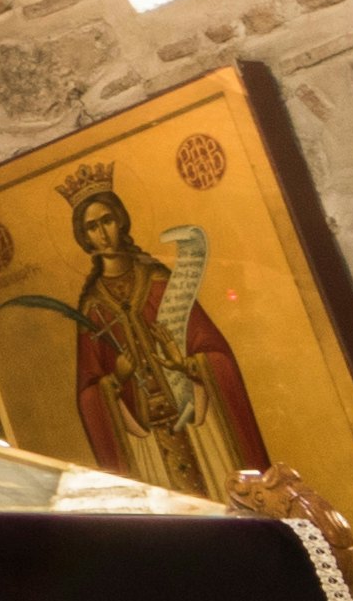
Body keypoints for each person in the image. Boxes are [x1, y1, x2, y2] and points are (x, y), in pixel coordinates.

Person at [31, 165, 264, 499]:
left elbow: (216, 352)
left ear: (121, 221)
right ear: (84, 237)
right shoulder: (93, 308)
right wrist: (115, 381)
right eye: (92, 227)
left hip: (199, 425)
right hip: (145, 444)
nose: (102, 234)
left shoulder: (158, 282)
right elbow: (88, 392)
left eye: (107, 221)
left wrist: (188, 364)